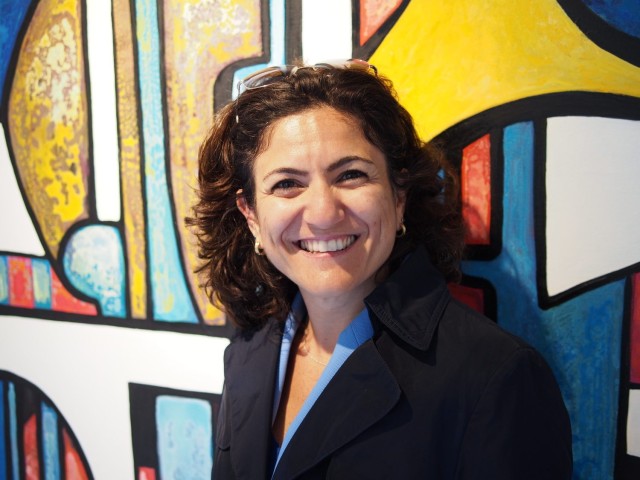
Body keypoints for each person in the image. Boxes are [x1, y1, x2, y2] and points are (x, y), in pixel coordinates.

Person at [189, 59, 572, 479]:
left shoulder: (494, 377)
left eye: (351, 175)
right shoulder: (249, 349)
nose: (323, 213)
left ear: (399, 195)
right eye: (287, 184)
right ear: (251, 215)